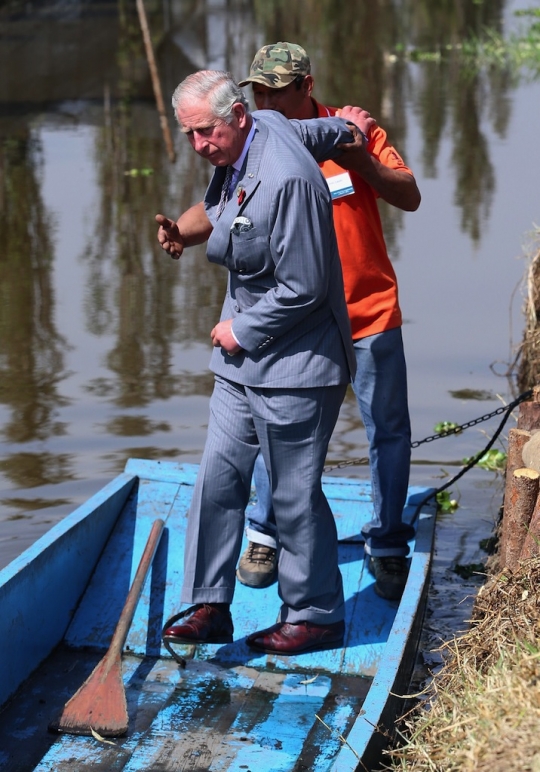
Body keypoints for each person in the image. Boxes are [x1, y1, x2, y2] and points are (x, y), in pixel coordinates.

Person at [156, 70, 367, 655]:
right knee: (218, 475)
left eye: (206, 133)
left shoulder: (289, 182)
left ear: (237, 116)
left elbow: (305, 284)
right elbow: (316, 132)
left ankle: (316, 613)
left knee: (293, 493)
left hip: (297, 362)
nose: (199, 146)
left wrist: (238, 329)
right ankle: (208, 602)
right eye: (189, 135)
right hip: (240, 365)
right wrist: (348, 130)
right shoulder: (263, 127)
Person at [235, 42, 421, 601]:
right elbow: (222, 212)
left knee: (388, 429)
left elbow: (408, 195)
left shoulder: (352, 130)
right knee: (280, 426)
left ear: (307, 86)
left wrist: (357, 152)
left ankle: (388, 542)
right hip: (298, 319)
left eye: (276, 90)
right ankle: (265, 533)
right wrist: (186, 232)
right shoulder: (254, 146)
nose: (265, 100)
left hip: (369, 312)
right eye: (258, 91)